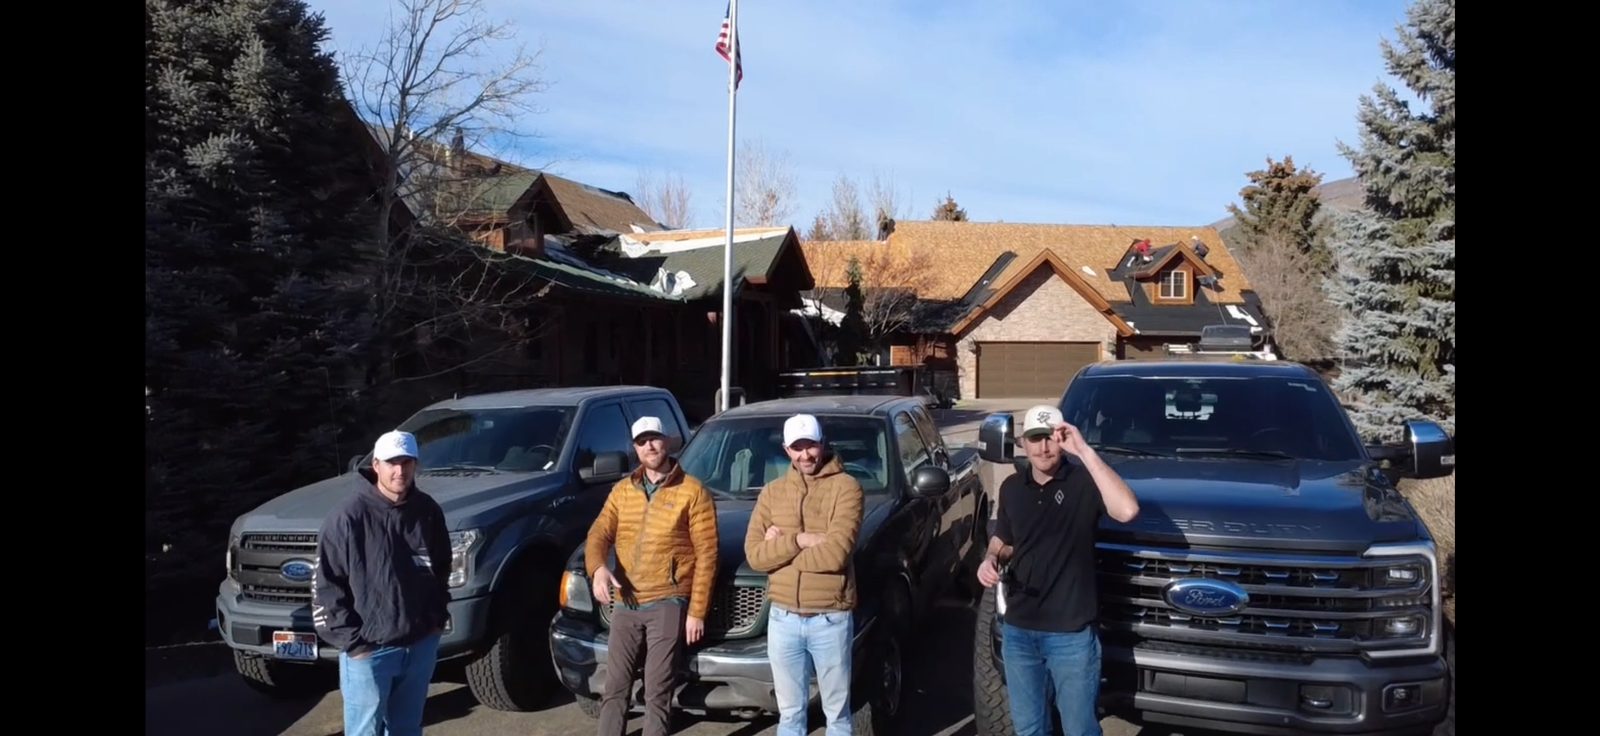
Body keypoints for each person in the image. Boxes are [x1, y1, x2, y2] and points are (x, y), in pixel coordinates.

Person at [975, 405, 1141, 736]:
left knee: (1079, 728)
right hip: (1019, 631)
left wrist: (1083, 450)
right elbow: (1005, 540)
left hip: (1071, 634)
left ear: (1062, 439)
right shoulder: (1011, 488)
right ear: (1023, 442)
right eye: (1036, 439)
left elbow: (1127, 510)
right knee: (1030, 728)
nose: (1044, 448)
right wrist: (990, 558)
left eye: (1051, 438)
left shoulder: (1084, 483)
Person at [585, 416, 719, 736]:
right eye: (642, 441)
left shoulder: (693, 491)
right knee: (615, 686)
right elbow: (598, 534)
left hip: (668, 601)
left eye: (655, 439)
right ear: (635, 448)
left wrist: (696, 611)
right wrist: (598, 568)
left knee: (657, 689)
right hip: (627, 601)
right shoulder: (622, 490)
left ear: (668, 442)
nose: (650, 446)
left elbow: (708, 556)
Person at [312, 430, 451, 736]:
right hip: (370, 652)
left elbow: (442, 568)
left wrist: (436, 621)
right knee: (365, 731)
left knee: (407, 729)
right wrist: (355, 645)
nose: (399, 470)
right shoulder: (347, 518)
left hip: (419, 645)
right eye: (391, 463)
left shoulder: (427, 511)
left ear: (415, 465)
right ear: (376, 465)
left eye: (407, 462)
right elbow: (326, 587)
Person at [744, 414, 865, 736]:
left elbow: (836, 554)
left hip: (830, 617)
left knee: (837, 715)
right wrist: (799, 540)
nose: (805, 455)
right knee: (790, 715)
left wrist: (779, 550)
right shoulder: (771, 493)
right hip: (782, 618)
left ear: (822, 444)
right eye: (797, 448)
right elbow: (755, 557)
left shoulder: (847, 488)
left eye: (810, 445)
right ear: (786, 450)